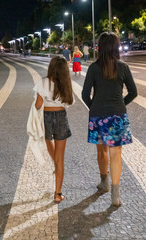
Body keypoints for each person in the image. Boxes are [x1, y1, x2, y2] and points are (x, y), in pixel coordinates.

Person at [81, 32, 137, 207]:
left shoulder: (93, 67)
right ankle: (115, 194)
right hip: (117, 116)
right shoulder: (123, 67)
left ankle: (104, 182)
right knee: (116, 155)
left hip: (98, 116)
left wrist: (95, 107)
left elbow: (84, 94)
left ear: (100, 47)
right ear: (116, 47)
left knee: (101, 151)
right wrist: (121, 104)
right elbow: (133, 92)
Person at [34, 56, 74, 204]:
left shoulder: (42, 82)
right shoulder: (65, 84)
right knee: (61, 158)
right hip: (61, 116)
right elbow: (69, 102)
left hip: (46, 116)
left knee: (47, 140)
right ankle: (58, 194)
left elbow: (38, 104)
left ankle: (55, 163)